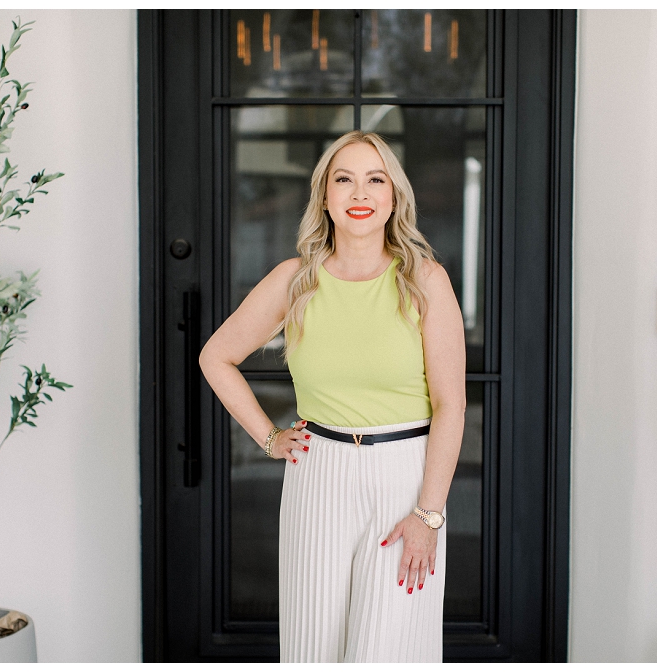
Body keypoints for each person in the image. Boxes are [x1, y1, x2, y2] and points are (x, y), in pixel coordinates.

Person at [199, 130, 465, 663]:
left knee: (388, 652)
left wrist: (429, 515)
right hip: (318, 476)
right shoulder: (295, 280)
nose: (360, 193)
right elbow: (216, 357)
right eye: (344, 179)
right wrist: (269, 437)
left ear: (394, 196)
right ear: (325, 195)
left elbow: (450, 405)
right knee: (313, 648)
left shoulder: (424, 280)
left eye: (375, 180)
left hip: (404, 481)